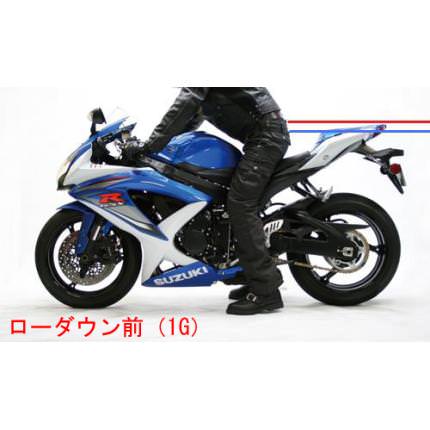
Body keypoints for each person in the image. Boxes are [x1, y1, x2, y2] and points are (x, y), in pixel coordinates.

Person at [137, 88, 290, 315]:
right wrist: (159, 151)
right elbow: (189, 117)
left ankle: (266, 291)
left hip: (266, 138)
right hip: (263, 136)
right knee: (228, 202)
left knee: (240, 204)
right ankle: (249, 274)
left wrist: (150, 146)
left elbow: (186, 103)